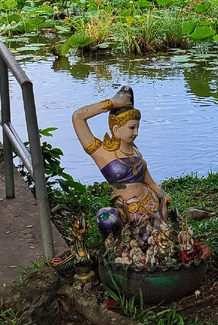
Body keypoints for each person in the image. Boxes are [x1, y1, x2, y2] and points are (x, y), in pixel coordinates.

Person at [71, 85, 169, 222]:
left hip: (150, 205)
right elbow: (78, 117)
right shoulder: (102, 153)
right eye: (132, 128)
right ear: (116, 129)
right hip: (126, 211)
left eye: (137, 127)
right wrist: (112, 103)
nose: (136, 133)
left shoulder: (135, 152)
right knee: (106, 219)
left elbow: (151, 183)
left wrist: (164, 197)